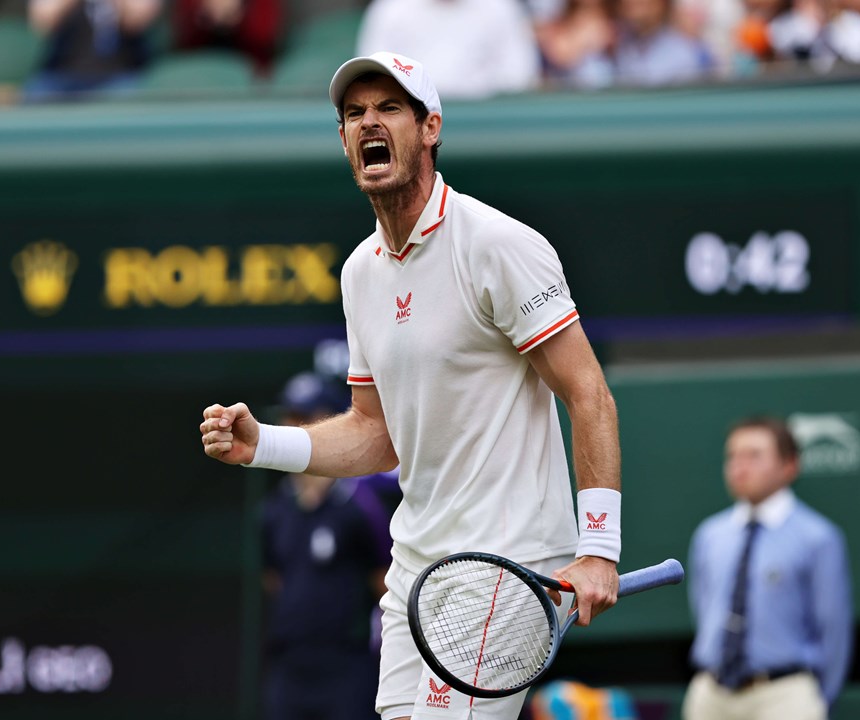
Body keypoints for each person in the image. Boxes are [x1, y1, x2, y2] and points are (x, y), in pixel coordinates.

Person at [200, 49, 623, 720]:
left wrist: (598, 549)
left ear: (430, 128)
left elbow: (589, 395)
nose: (371, 121)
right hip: (417, 570)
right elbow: (375, 435)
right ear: (343, 141)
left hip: (508, 560)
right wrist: (266, 446)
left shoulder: (496, 244)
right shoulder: (359, 273)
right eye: (355, 113)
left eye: (390, 107)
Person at [682, 415, 853, 720]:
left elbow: (833, 630)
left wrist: (817, 701)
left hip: (784, 696)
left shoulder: (818, 537)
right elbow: (703, 607)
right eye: (733, 456)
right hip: (711, 694)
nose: (739, 466)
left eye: (754, 455)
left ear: (789, 466)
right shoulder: (709, 534)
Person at [260, 370, 396, 720]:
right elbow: (273, 577)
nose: (293, 428)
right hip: (290, 662)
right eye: (289, 418)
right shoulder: (275, 510)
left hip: (347, 664)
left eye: (304, 418)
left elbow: (384, 581)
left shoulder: (360, 505)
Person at [355, 0, 542, 99]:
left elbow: (519, 78)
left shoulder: (501, 8)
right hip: (409, 123)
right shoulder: (389, 10)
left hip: (482, 126)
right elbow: (373, 78)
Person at [24, 0, 163, 102]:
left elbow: (135, 21)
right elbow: (43, 24)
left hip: (120, 74)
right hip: (61, 74)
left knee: (127, 100)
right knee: (34, 97)